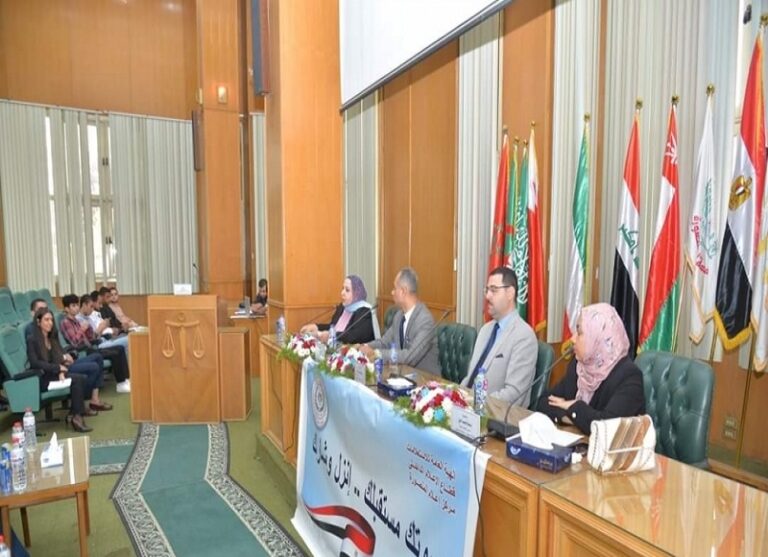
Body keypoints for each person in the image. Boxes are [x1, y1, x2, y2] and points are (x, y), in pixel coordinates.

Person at [535, 303, 646, 434]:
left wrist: (573, 407)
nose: (573, 339)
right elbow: (543, 403)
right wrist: (572, 418)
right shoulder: (579, 366)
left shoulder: (629, 377)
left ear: (598, 338)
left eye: (579, 333)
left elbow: (606, 427)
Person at [460, 267, 538, 405]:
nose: (487, 296)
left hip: (494, 414)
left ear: (510, 293)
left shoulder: (524, 337)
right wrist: (456, 396)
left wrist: (474, 403)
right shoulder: (485, 330)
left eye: (494, 290)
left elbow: (513, 394)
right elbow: (470, 377)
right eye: (487, 290)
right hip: (467, 407)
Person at [26, 308, 96, 432]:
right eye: (46, 320)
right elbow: (35, 363)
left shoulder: (52, 337)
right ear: (38, 322)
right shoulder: (32, 339)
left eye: (51, 320)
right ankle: (76, 417)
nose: (50, 323)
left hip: (53, 375)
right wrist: (58, 368)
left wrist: (61, 372)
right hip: (41, 379)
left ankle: (75, 414)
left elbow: (57, 358)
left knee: (81, 378)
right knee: (77, 379)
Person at [361, 268, 440, 374]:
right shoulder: (399, 316)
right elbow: (384, 342)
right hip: (402, 375)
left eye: (394, 288)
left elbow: (410, 357)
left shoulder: (425, 321)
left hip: (425, 379)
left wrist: (376, 353)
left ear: (403, 291)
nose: (392, 292)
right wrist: (365, 346)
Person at [60, 294, 131, 394]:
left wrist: (89, 330)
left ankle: (125, 380)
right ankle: (121, 384)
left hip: (91, 347)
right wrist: (82, 329)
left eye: (77, 305)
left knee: (119, 348)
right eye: (73, 306)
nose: (76, 308)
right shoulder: (66, 322)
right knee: (115, 352)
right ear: (67, 309)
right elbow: (74, 342)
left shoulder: (76, 321)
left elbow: (91, 338)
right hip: (83, 351)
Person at [300, 275, 376, 345]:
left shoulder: (365, 311)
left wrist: (330, 335)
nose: (342, 293)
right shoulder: (342, 307)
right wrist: (316, 327)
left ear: (357, 293)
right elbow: (333, 327)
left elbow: (354, 336)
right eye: (343, 288)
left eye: (347, 290)